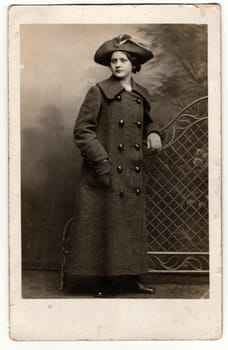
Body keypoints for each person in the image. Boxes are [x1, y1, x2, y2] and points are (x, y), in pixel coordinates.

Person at [65, 34, 162, 297]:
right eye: (113, 60)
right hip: (107, 171)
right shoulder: (98, 91)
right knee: (108, 226)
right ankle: (106, 282)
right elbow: (82, 131)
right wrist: (102, 163)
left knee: (130, 225)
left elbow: (149, 121)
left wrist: (154, 133)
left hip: (133, 171)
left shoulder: (142, 94)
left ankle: (131, 279)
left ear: (134, 64)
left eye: (123, 60)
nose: (117, 65)